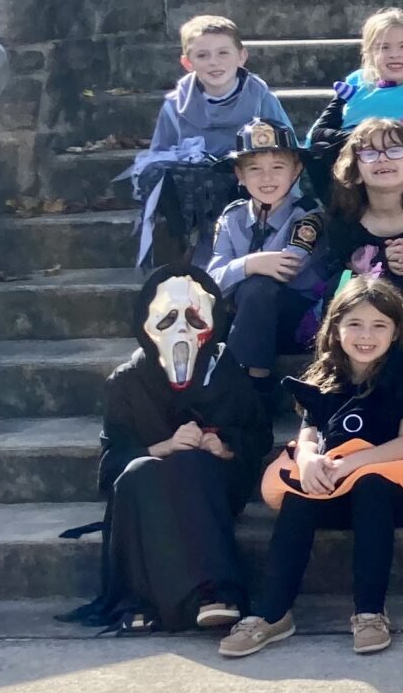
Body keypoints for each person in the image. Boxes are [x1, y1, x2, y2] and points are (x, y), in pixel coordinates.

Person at [220, 276, 403, 658]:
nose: (366, 335)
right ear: (336, 327)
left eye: (379, 326)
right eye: (355, 324)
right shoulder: (324, 375)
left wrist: (348, 464)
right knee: (300, 495)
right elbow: (308, 434)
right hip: (343, 483)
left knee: (371, 485)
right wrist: (309, 461)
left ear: (395, 333)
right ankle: (271, 613)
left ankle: (370, 611)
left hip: (401, 488)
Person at [75, 268, 273, 633]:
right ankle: (144, 600)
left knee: (191, 465)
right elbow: (111, 463)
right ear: (147, 326)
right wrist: (164, 447)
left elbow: (258, 436)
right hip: (147, 494)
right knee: (139, 474)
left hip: (212, 486)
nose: (182, 330)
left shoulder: (226, 371)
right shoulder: (127, 382)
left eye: (194, 318)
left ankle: (216, 592)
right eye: (168, 318)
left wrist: (225, 446)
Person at [133, 13, 291, 270]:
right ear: (187, 62)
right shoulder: (175, 105)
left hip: (248, 186)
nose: (214, 63)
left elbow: (287, 148)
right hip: (196, 196)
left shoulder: (260, 98)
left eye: (223, 53)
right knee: (156, 174)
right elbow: (159, 153)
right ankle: (185, 248)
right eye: (202, 55)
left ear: (242, 56)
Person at [203, 117, 324, 405]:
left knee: (259, 287)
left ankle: (255, 384)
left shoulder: (308, 215)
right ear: (239, 176)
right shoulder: (232, 217)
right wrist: (250, 263)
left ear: (296, 170)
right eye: (254, 169)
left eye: (277, 168)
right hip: (243, 320)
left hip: (293, 321)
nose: (266, 178)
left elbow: (286, 266)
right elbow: (211, 280)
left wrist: (243, 270)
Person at [321, 117, 403, 349]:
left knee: (402, 282)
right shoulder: (343, 219)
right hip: (361, 315)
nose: (383, 158)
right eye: (370, 153)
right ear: (355, 172)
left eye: (394, 150)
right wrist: (383, 263)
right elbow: (345, 280)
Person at [305, 7, 403, 201]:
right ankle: (338, 218)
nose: (394, 54)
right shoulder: (355, 85)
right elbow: (320, 131)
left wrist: (396, 141)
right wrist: (368, 141)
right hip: (362, 157)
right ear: (369, 53)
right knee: (318, 152)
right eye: (383, 47)